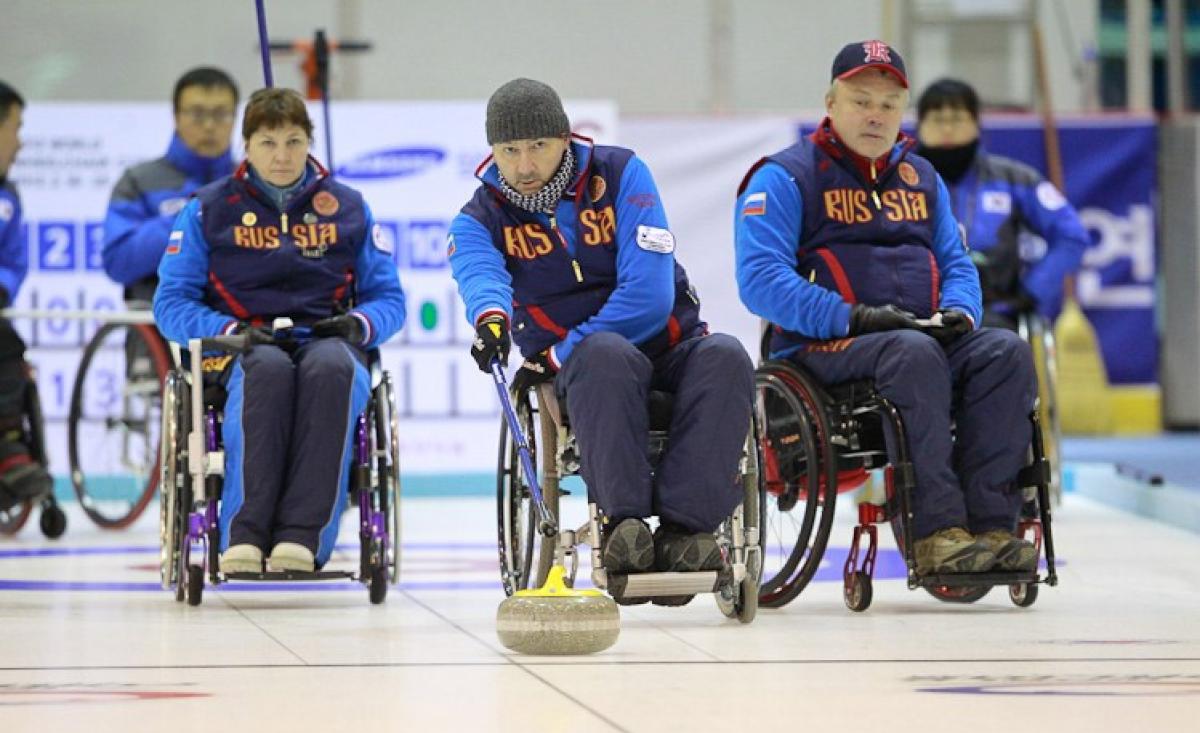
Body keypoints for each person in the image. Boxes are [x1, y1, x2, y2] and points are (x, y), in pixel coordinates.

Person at [735, 41, 1039, 576]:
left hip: (916, 338)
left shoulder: (923, 178)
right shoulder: (784, 177)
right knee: (913, 354)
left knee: (1004, 351)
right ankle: (936, 532)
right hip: (822, 347)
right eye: (860, 100)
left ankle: (995, 527)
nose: (875, 114)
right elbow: (761, 281)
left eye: (889, 103)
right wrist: (852, 316)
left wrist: (961, 313)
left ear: (902, 110)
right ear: (830, 102)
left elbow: (958, 262)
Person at [449, 78, 754, 604]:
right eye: (509, 150)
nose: (523, 166)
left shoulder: (621, 174)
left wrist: (558, 351)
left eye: (538, 147)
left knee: (727, 355)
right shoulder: (481, 217)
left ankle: (690, 532)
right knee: (605, 355)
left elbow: (650, 296)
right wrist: (491, 321)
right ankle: (625, 526)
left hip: (668, 343)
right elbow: (479, 274)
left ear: (565, 139)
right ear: (493, 151)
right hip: (588, 369)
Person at [154, 88, 406, 574]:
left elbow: (390, 300)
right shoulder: (208, 209)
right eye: (268, 142)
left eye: (293, 141)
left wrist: (358, 324)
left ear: (310, 141)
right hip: (242, 346)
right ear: (246, 146)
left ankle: (302, 535)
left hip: (327, 339)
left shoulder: (349, 208)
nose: (283, 155)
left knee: (333, 369)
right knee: (266, 371)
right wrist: (227, 329)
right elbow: (170, 303)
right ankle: (243, 535)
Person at [916, 78, 1089, 329]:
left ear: (977, 125)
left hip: (991, 313)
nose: (947, 129)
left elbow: (1071, 235)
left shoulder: (1014, 179)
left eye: (956, 119)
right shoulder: (898, 180)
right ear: (919, 126)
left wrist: (1032, 291)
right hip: (915, 310)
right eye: (937, 120)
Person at [103, 67, 240, 304]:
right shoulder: (138, 181)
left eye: (221, 114)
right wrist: (191, 216)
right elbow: (118, 263)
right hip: (162, 320)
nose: (209, 126)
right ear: (176, 116)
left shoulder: (251, 182)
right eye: (197, 114)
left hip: (243, 317)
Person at [0, 81, 52, 510]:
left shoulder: (9, 197)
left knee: (8, 344)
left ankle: (10, 446)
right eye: (15, 127)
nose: (19, 141)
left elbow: (15, 261)